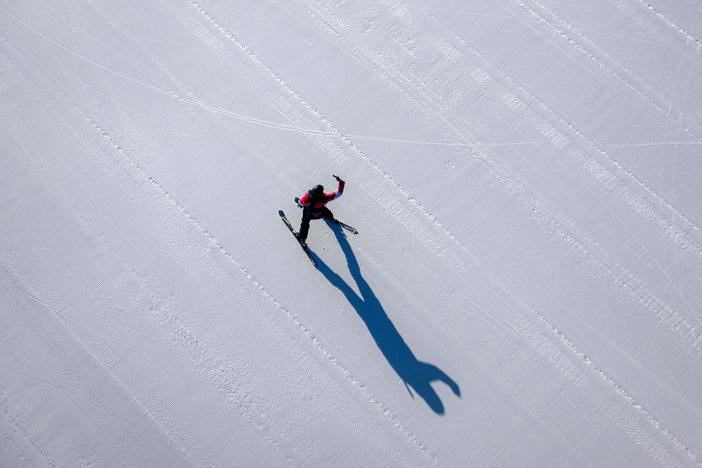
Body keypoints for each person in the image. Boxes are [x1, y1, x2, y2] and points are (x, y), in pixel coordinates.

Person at [296, 175, 345, 244]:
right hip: (321, 214)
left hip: (310, 215)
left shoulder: (307, 197)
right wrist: (341, 182)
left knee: (305, 223)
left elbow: (300, 203)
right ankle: (331, 218)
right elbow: (339, 193)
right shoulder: (325, 198)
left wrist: (300, 204)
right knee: (325, 210)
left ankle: (302, 238)